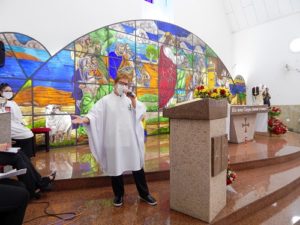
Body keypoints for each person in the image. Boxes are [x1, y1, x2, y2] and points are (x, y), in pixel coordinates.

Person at [72, 74, 157, 207]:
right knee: (115, 167)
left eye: (126, 84)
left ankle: (144, 194)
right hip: (114, 141)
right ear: (115, 84)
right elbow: (94, 114)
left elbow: (140, 112)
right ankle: (118, 195)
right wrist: (84, 119)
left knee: (137, 166)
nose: (124, 86)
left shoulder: (130, 99)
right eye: (121, 83)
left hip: (130, 140)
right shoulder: (105, 101)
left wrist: (133, 99)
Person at [0, 83, 34, 158]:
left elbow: (18, 116)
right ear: (1, 92)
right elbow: (3, 120)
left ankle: (26, 158)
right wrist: (5, 137)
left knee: (29, 132)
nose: (9, 92)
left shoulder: (13, 102)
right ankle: (23, 158)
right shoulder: (2, 102)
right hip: (8, 125)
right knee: (26, 133)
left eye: (10, 91)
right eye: (6, 91)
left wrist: (22, 123)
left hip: (16, 124)